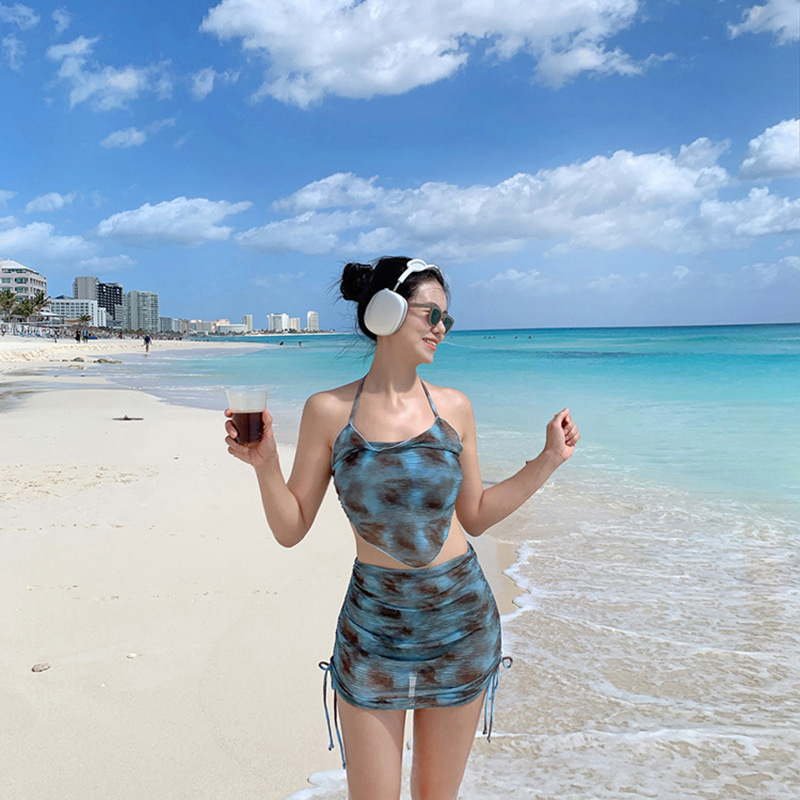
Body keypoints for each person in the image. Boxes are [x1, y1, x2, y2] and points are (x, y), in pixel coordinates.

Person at [224, 256, 580, 800]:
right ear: (386, 311)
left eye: (447, 318)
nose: (442, 328)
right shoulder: (328, 411)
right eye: (431, 313)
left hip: (460, 622)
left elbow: (476, 514)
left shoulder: (455, 407)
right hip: (373, 630)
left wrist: (548, 459)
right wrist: (265, 464)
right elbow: (291, 528)